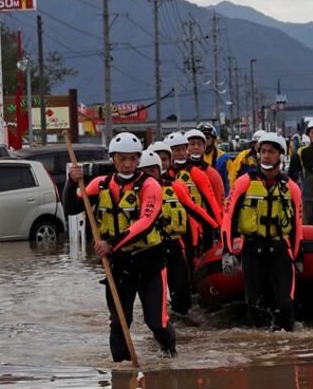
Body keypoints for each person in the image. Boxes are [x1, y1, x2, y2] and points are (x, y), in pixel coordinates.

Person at [64, 132, 176, 361]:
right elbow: (71, 208)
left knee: (156, 322)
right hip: (119, 265)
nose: (127, 164)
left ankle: (170, 357)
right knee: (119, 323)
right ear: (113, 159)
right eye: (122, 159)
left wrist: (110, 244)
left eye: (133, 159)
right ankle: (122, 375)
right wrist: (70, 182)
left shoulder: (150, 185)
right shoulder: (101, 184)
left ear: (138, 160)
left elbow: (145, 223)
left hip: (150, 264)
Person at [221, 133, 304, 331]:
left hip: (279, 250)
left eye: (272, 152)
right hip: (252, 250)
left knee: (285, 306)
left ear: (280, 155)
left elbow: (298, 225)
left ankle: (286, 350)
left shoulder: (291, 188)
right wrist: (227, 251)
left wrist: (299, 256)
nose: (266, 156)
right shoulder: (244, 182)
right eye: (263, 151)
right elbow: (228, 216)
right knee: (255, 308)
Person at [138, 147, 219, 315]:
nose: (149, 175)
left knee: (182, 297)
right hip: (147, 250)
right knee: (154, 298)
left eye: (152, 170)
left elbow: (197, 211)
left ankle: (182, 323)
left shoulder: (175, 188)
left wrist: (219, 230)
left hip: (173, 246)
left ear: (160, 171)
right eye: (144, 171)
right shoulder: (133, 193)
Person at [166, 131, 224, 261]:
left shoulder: (200, 173)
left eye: (183, 149)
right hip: (173, 229)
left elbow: (213, 203)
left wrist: (219, 228)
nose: (181, 153)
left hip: (199, 225)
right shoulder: (163, 177)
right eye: (176, 150)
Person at [185, 128, 227, 202]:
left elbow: (219, 200)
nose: (196, 147)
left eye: (199, 144)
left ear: (204, 147)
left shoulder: (212, 173)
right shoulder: (177, 171)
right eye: (192, 144)